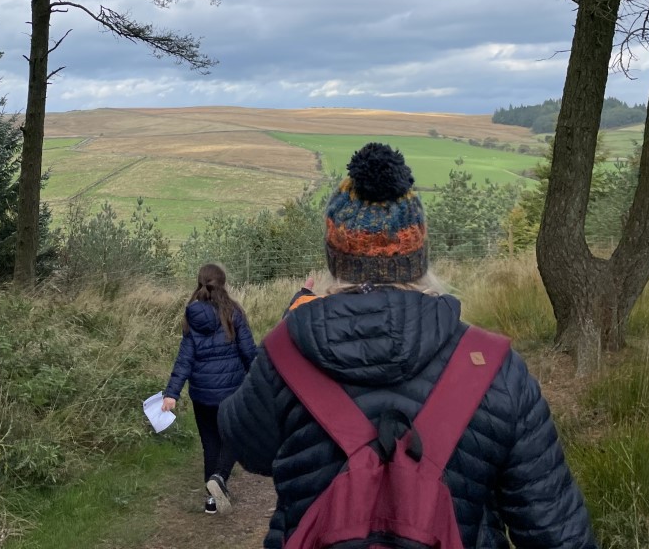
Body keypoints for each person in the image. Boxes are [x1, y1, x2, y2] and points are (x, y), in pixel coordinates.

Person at [219, 143, 597, 549]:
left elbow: (249, 449)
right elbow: (554, 530)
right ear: (420, 256)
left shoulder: (284, 354)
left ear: (334, 259)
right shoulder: (495, 369)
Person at [161, 262, 257, 515]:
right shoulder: (233, 313)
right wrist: (260, 381)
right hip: (232, 392)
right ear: (222, 283)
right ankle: (220, 477)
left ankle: (212, 500)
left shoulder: (191, 315)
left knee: (210, 444)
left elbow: (185, 358)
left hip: (202, 395)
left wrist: (172, 393)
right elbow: (248, 353)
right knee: (236, 436)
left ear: (199, 282)